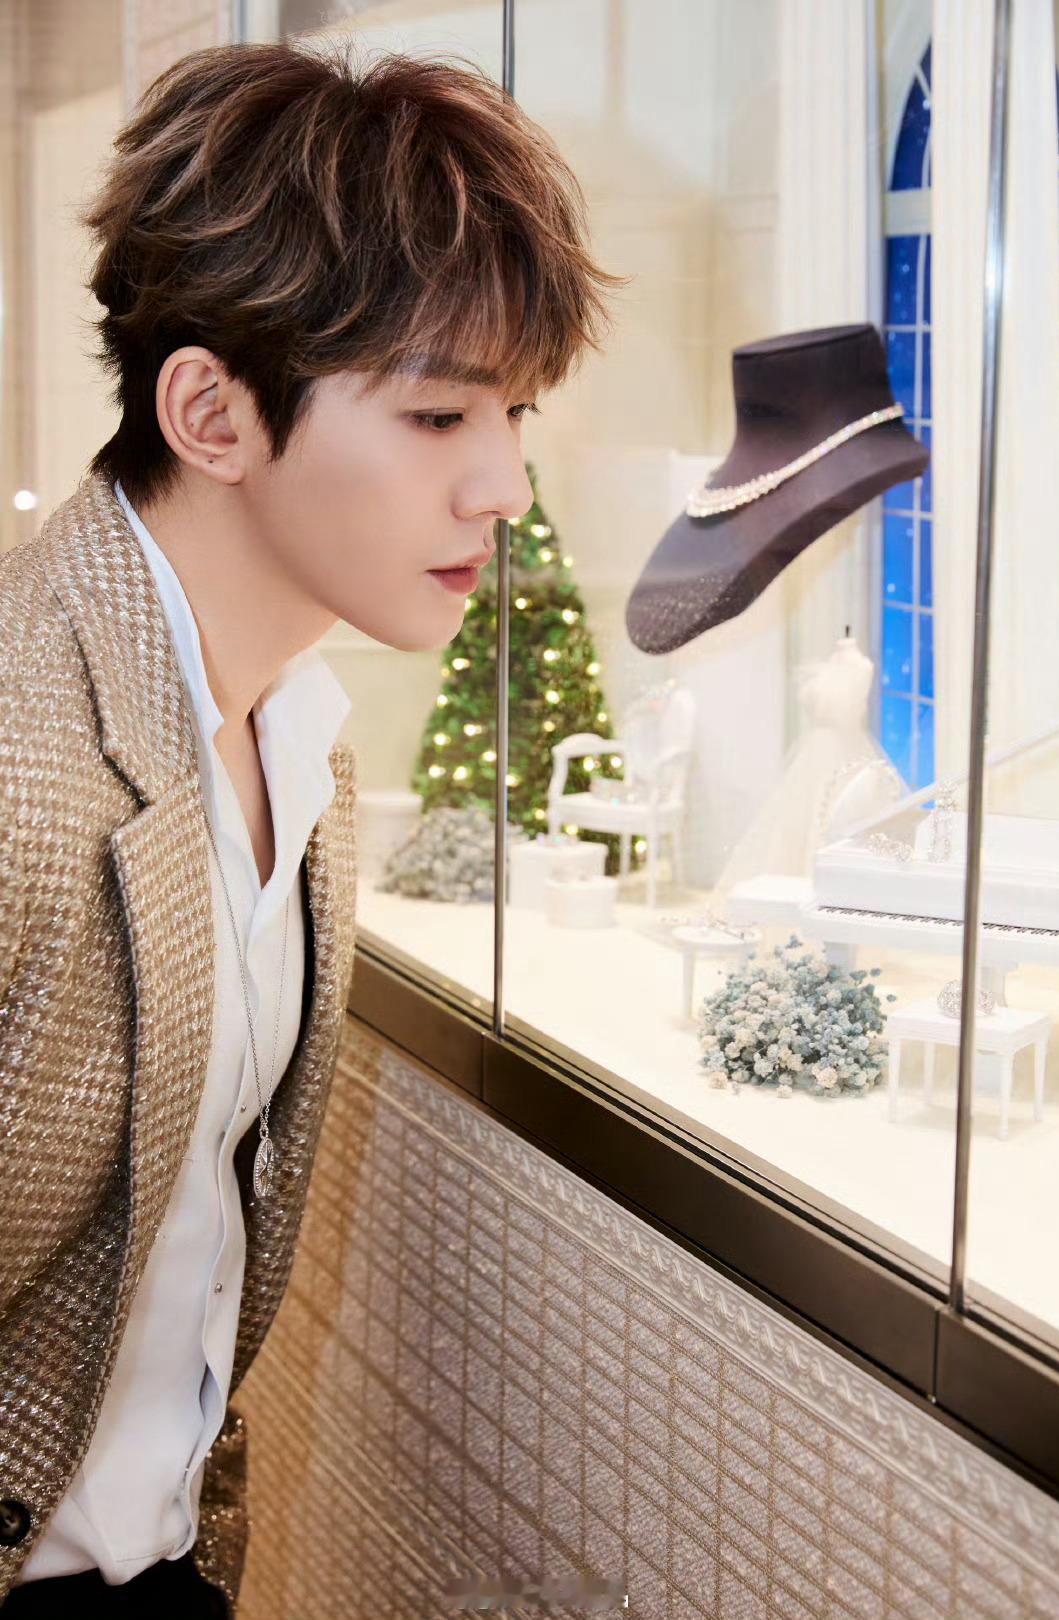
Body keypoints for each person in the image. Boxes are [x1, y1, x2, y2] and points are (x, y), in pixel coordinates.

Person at [0, 37, 622, 1616]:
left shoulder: (297, 730)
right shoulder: (22, 753)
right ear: (211, 412)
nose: (504, 486)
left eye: (516, 412)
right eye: (438, 416)